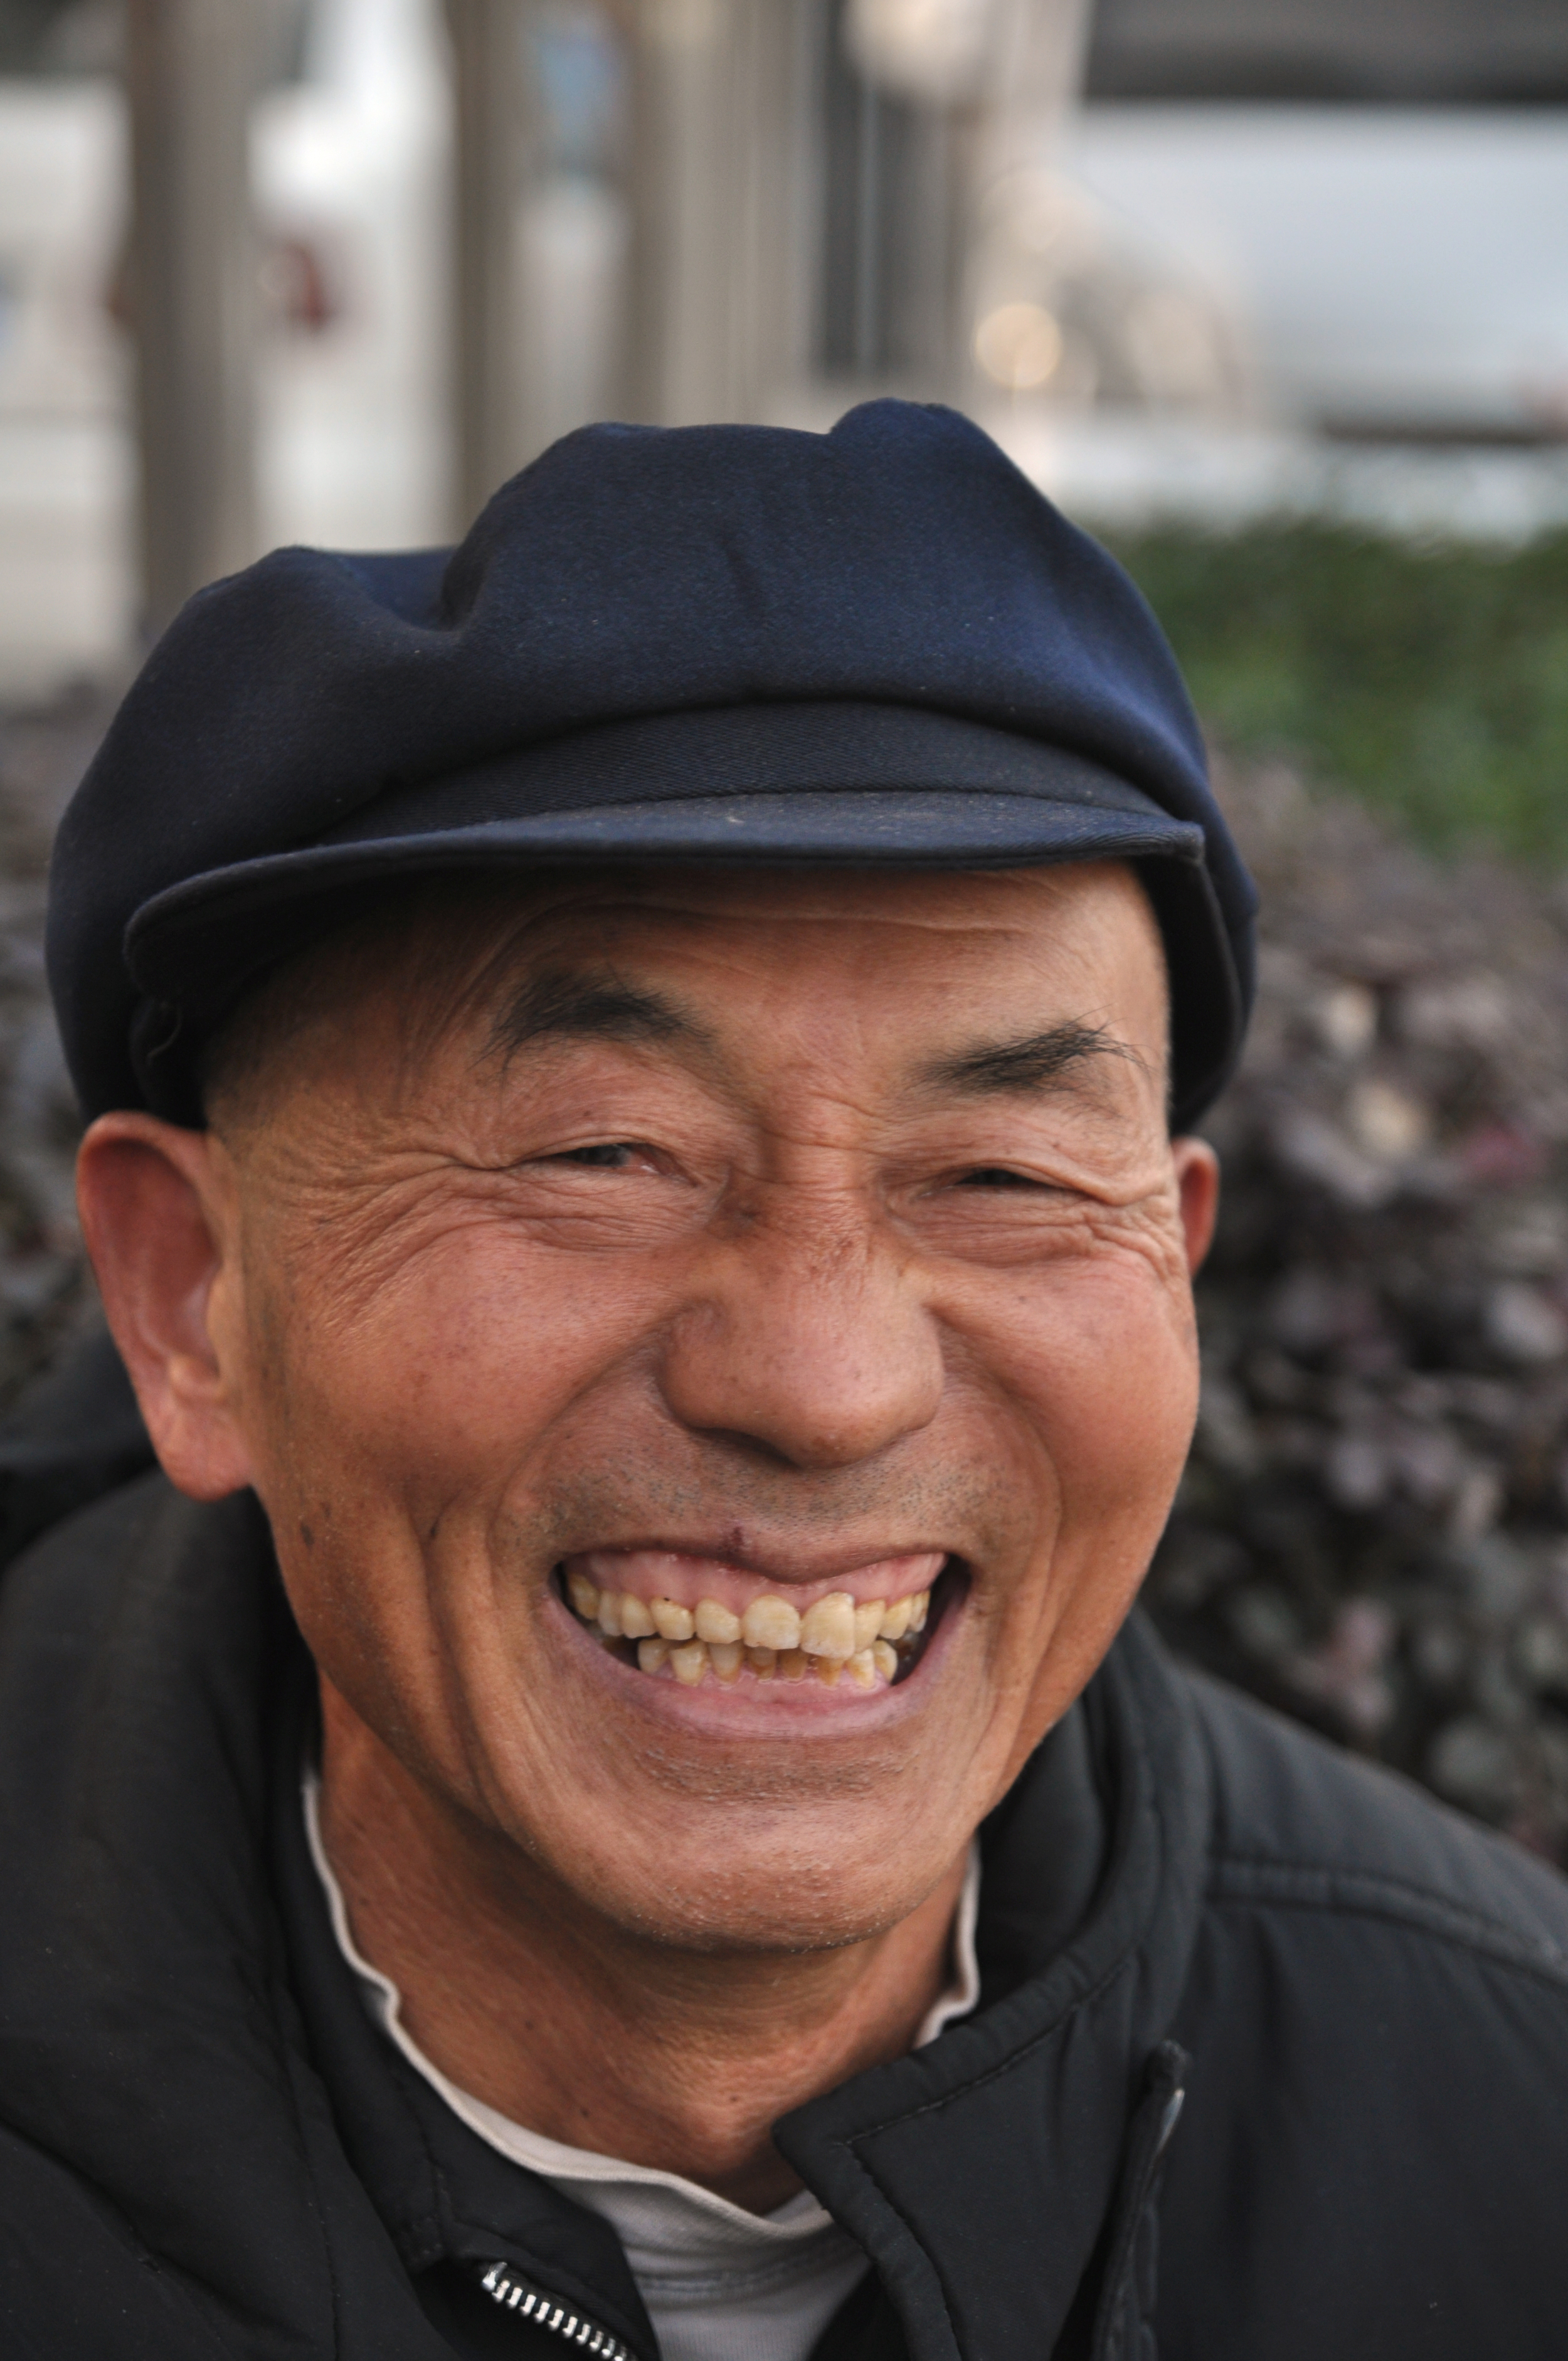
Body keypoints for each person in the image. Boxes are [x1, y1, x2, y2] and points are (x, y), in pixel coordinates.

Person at [4, 401, 1566, 2361]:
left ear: (1169, 1256)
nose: (823, 1383)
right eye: (603, 1154)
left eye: (1001, 1176)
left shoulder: (1503, 2133)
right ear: (190, 1293)